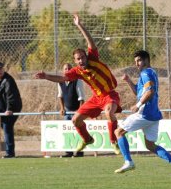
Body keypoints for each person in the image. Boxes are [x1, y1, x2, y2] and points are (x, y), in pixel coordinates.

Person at [35, 14, 121, 155]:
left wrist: (79, 25)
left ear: (86, 56)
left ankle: (113, 141)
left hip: (109, 94)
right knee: (75, 120)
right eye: (78, 59)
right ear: (75, 61)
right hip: (96, 98)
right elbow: (62, 79)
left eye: (82, 57)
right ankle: (87, 139)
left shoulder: (93, 58)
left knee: (109, 112)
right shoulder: (77, 71)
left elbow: (90, 42)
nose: (81, 60)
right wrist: (46, 76)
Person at [114, 50, 171, 175]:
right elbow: (139, 92)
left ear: (147, 60)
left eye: (139, 60)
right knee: (150, 146)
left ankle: (128, 162)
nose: (137, 64)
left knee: (118, 132)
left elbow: (150, 92)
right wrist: (129, 81)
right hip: (153, 115)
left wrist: (138, 105)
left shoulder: (146, 73)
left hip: (144, 113)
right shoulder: (149, 74)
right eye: (135, 61)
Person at [58, 63, 85, 158]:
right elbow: (60, 96)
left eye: (69, 68)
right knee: (67, 132)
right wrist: (62, 108)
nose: (67, 70)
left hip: (77, 111)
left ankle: (79, 151)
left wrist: (80, 112)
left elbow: (81, 98)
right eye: (65, 69)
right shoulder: (60, 81)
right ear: (63, 71)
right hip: (67, 111)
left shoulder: (78, 80)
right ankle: (68, 152)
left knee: (79, 132)